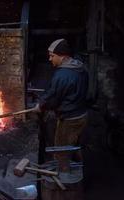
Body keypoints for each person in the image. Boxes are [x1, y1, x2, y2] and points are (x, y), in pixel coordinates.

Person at [33, 38, 89, 173]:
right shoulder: (80, 67)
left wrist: (40, 105)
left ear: (63, 56)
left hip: (69, 120)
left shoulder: (62, 75)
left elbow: (53, 97)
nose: (49, 59)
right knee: (75, 146)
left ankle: (64, 182)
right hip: (82, 115)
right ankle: (80, 173)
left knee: (62, 151)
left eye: (52, 56)